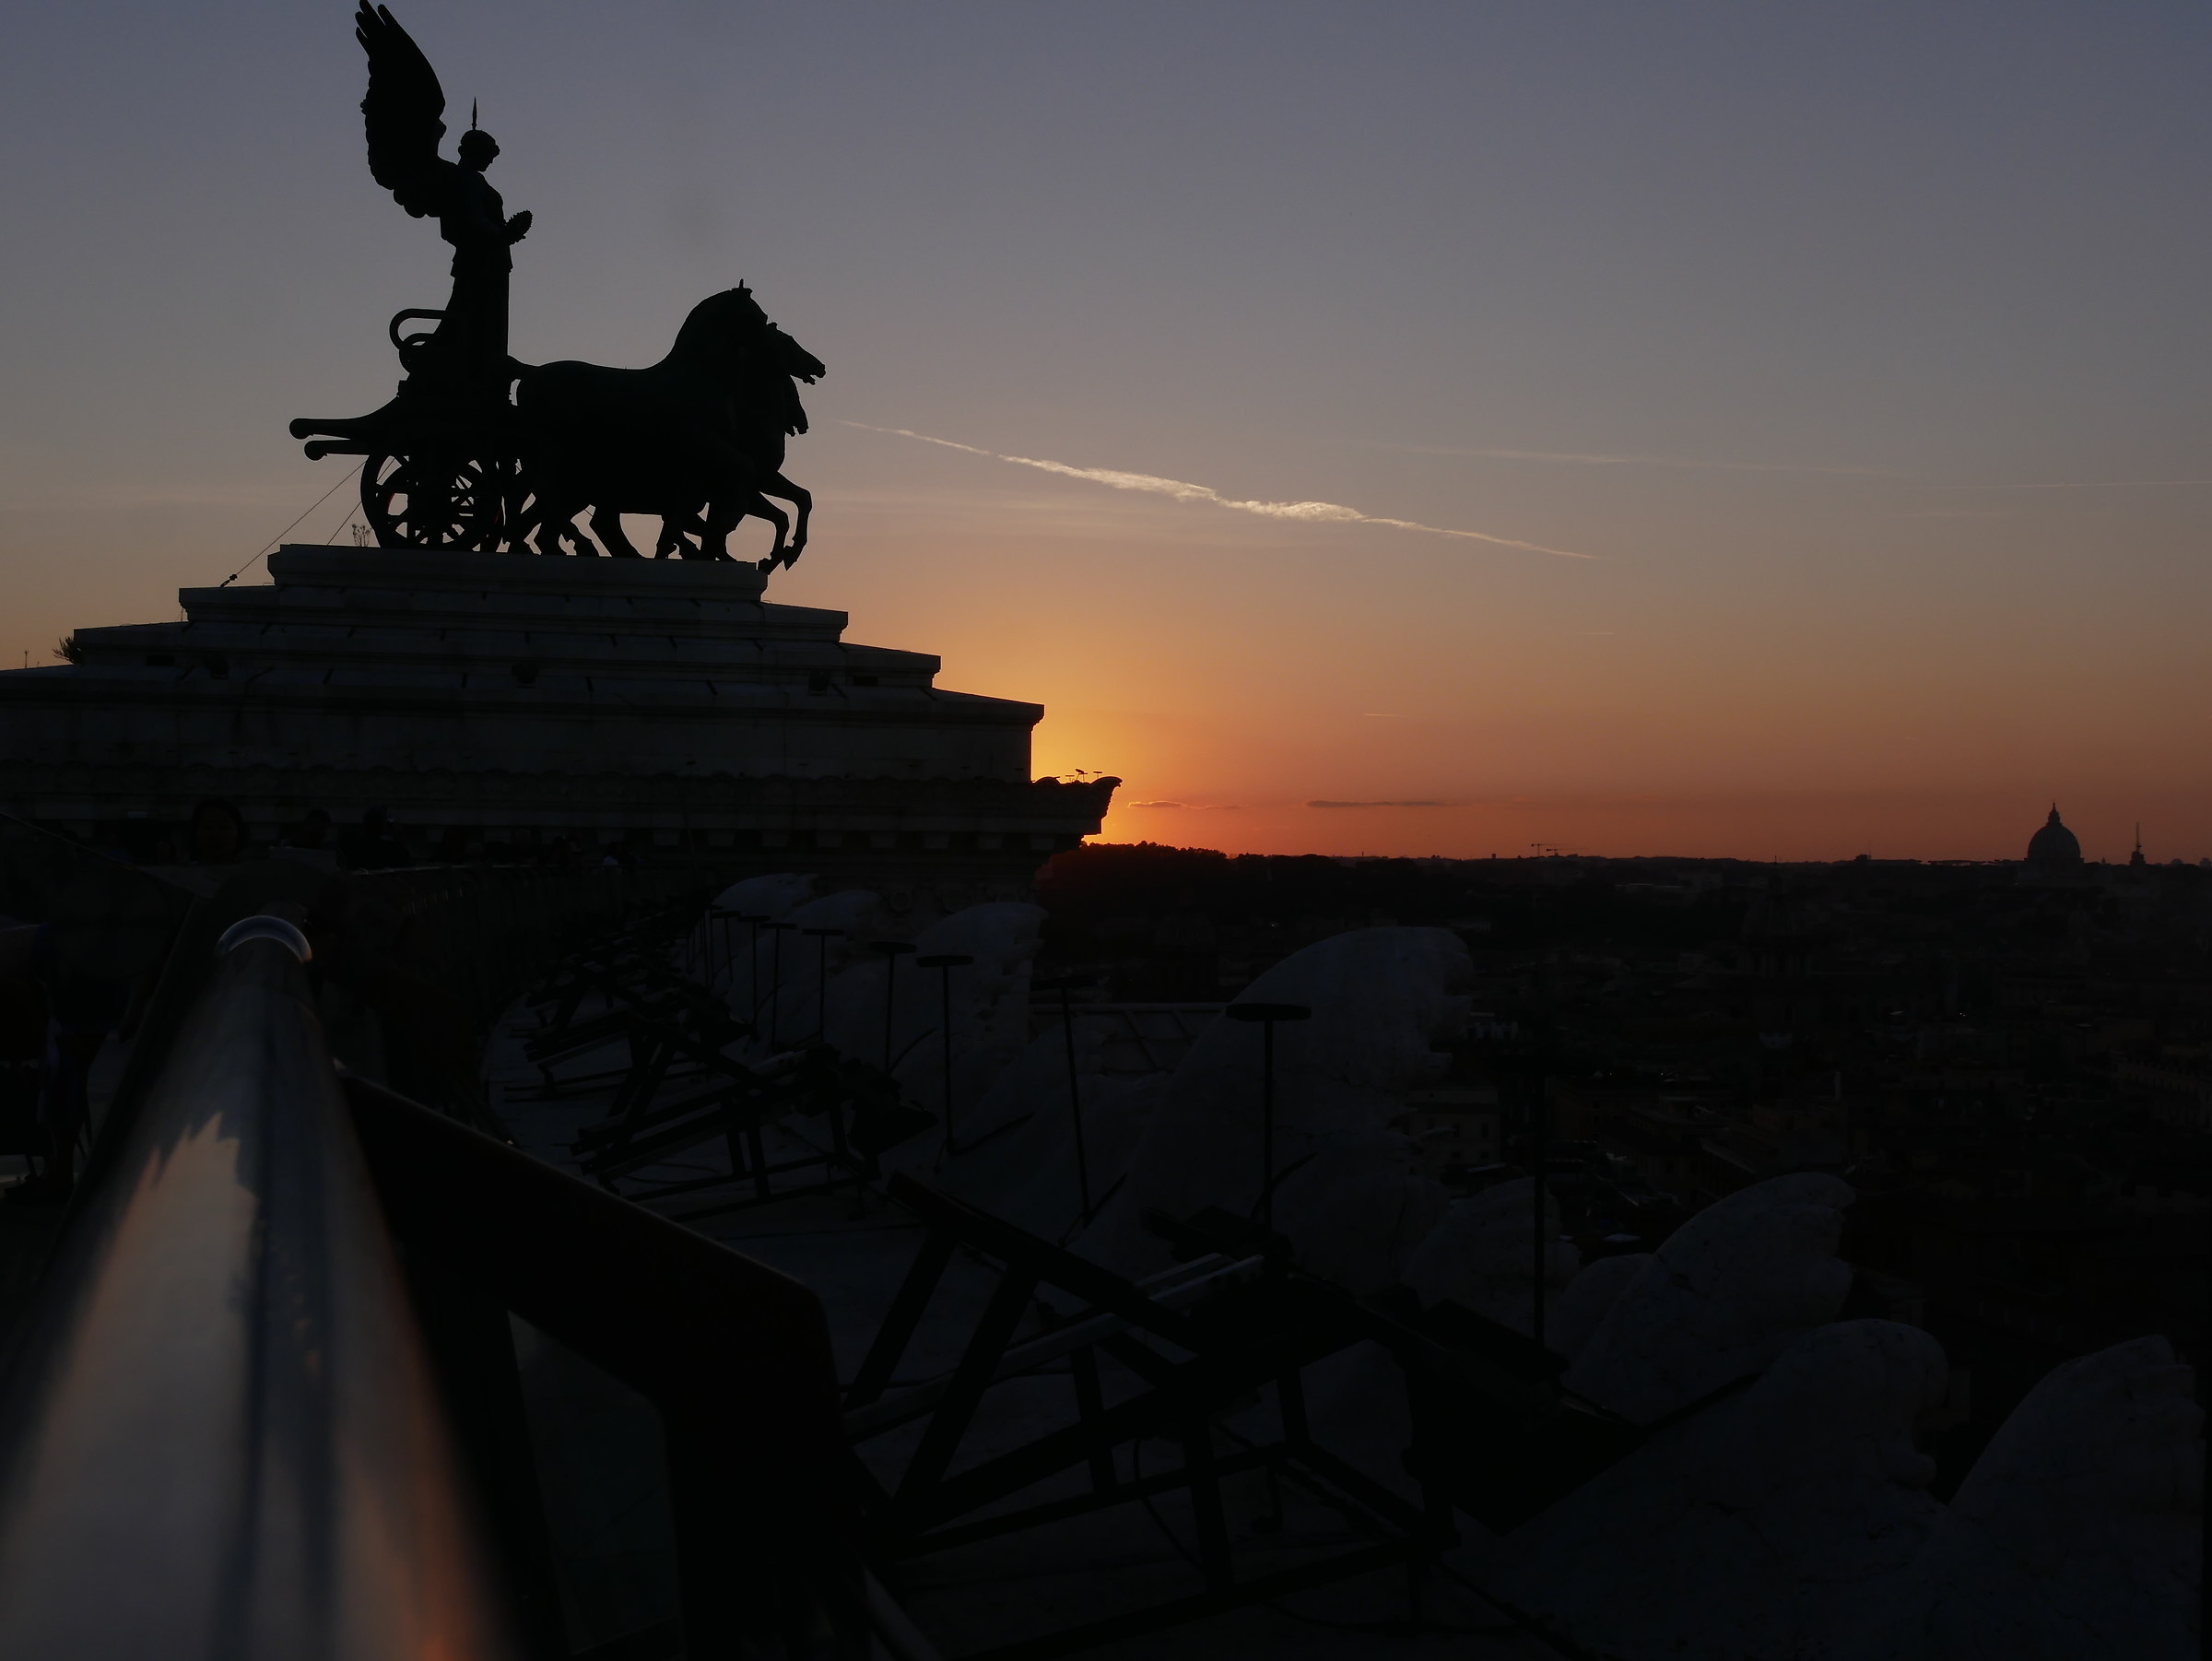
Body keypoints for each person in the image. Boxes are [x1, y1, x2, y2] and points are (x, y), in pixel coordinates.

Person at [186, 798, 248, 865]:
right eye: (207, 827)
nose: (216, 835)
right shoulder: (183, 874)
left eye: (224, 827)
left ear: (239, 832)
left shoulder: (250, 873)